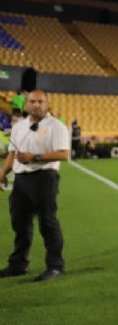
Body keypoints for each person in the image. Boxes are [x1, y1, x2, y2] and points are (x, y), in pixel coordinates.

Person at [0, 90, 69, 281]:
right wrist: (3, 172)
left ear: (47, 104)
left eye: (40, 101)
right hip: (21, 179)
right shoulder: (18, 127)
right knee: (19, 222)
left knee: (47, 222)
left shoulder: (56, 126)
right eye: (32, 101)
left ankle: (55, 266)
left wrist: (35, 157)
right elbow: (12, 153)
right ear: (26, 104)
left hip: (44, 177)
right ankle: (18, 265)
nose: (36, 105)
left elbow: (64, 154)